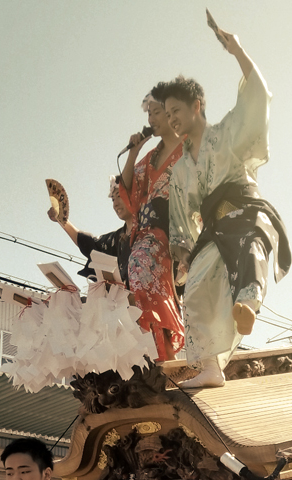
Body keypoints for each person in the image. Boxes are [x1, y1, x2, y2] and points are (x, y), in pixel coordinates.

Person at [165, 18, 291, 388]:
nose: (172, 120)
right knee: (196, 286)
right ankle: (210, 368)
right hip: (213, 227)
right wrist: (183, 254)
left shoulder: (225, 132)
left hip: (245, 209)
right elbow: (180, 218)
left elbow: (257, 96)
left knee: (249, 245)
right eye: (167, 115)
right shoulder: (180, 170)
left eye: (176, 111)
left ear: (196, 106)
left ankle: (248, 304)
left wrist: (237, 50)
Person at [118, 88, 185, 362]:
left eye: (157, 112)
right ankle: (157, 354)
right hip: (146, 236)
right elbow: (127, 191)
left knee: (143, 272)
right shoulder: (151, 158)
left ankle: (163, 352)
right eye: (149, 114)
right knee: (139, 283)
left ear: (171, 113)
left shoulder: (189, 148)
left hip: (174, 232)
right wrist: (133, 153)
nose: (152, 119)